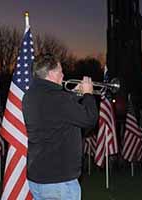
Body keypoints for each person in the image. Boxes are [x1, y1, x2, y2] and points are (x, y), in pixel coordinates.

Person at [22, 54, 98, 200]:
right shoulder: (58, 98)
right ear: (51, 73)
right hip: (59, 182)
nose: (63, 75)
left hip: (37, 178)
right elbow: (90, 119)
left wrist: (76, 93)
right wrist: (88, 94)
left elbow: (56, 112)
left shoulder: (29, 96)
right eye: (60, 71)